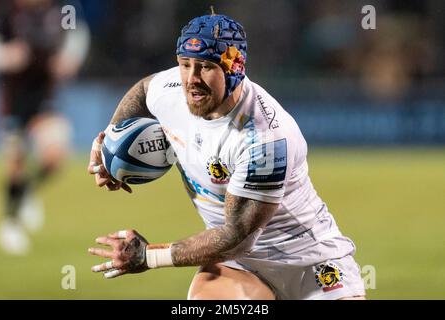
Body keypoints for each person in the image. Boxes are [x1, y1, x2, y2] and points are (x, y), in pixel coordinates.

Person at [88, 12, 366, 300]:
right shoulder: (173, 89)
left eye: (205, 67)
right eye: (184, 65)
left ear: (234, 68)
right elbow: (144, 90)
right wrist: (108, 143)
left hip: (309, 262)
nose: (191, 80)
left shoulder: (265, 138)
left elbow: (237, 236)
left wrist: (148, 256)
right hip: (239, 267)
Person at [0, 0, 90, 255]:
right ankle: (10, 224)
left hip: (44, 97)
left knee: (54, 158)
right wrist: (5, 55)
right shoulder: (5, 11)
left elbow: (78, 34)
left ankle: (27, 191)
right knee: (15, 164)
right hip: (14, 100)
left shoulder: (61, 9)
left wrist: (69, 59)